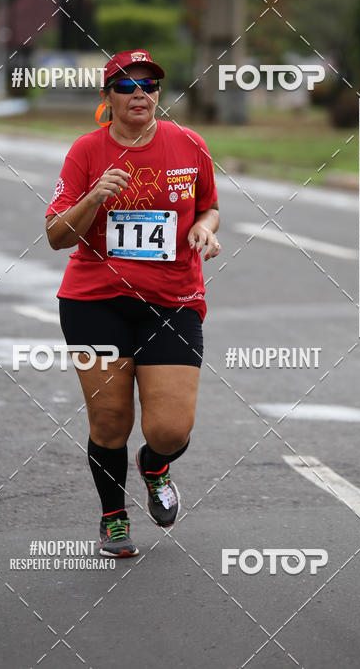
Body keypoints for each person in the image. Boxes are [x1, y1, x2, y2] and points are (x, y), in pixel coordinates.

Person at [45, 49, 220, 558]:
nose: (139, 92)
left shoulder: (189, 144)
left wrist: (205, 231)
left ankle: (156, 466)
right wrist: (95, 195)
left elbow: (209, 206)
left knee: (169, 429)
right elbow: (56, 236)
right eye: (126, 85)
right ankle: (113, 516)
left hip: (173, 299)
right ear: (108, 97)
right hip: (93, 300)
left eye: (149, 84)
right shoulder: (86, 151)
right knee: (110, 422)